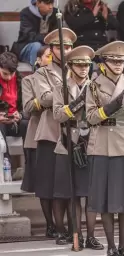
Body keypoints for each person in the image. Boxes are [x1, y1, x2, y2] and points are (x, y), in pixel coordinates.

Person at [85, 41, 124, 256]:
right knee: (106, 200)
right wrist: (109, 108)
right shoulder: (93, 85)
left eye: (121, 60)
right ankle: (111, 246)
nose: (118, 64)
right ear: (104, 62)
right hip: (103, 144)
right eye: (113, 60)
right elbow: (90, 117)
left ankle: (123, 246)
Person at [52, 45, 104, 251]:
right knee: (73, 195)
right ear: (71, 66)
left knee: (91, 194)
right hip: (68, 142)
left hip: (91, 141)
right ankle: (78, 234)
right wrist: (76, 105)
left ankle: (91, 235)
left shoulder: (95, 86)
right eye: (79, 65)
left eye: (87, 65)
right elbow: (57, 115)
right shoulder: (61, 88)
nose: (84, 69)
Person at [33, 28, 77, 244]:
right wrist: (69, 90)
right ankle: (55, 227)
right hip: (51, 131)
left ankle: (73, 229)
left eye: (68, 47)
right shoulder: (42, 73)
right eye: (61, 47)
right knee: (51, 184)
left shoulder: (78, 68)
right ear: (52, 49)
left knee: (71, 185)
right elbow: (45, 98)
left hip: (74, 133)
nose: (66, 50)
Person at [20, 45, 55, 238]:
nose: (50, 59)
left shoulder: (64, 76)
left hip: (59, 134)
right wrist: (45, 97)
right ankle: (50, 224)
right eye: (47, 56)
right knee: (44, 185)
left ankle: (62, 224)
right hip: (37, 135)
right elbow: (26, 108)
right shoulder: (29, 80)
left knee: (61, 183)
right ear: (38, 60)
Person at [13, 0, 58, 66]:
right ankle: (37, 72)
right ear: (38, 3)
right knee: (36, 46)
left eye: (52, 3)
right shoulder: (26, 13)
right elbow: (29, 36)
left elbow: (56, 34)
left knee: (58, 46)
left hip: (48, 46)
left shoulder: (56, 13)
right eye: (47, 3)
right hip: (27, 46)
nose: (51, 6)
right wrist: (48, 38)